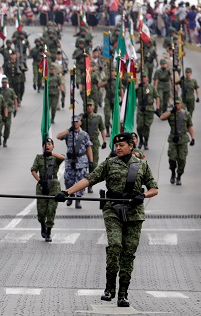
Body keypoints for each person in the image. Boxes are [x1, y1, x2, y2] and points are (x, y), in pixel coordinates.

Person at [55, 132, 158, 308]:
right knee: (115, 246)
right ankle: (110, 286)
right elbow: (89, 180)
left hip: (134, 213)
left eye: (121, 145)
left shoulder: (142, 165)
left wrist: (143, 195)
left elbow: (154, 188)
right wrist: (67, 192)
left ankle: (123, 293)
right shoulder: (109, 164)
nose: (117, 148)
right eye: (116, 146)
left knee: (128, 253)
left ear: (131, 146)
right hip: (113, 211)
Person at [31, 138, 65, 242]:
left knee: (51, 209)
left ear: (53, 146)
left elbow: (63, 158)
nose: (47, 146)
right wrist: (39, 180)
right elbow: (33, 170)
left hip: (53, 184)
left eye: (50, 144)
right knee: (41, 211)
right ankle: (42, 224)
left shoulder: (55, 158)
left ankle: (48, 231)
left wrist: (51, 153)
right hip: (42, 185)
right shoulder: (39, 157)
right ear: (42, 147)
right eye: (45, 144)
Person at [57, 115, 93, 209]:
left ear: (80, 122)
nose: (75, 123)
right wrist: (69, 130)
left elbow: (88, 147)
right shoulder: (68, 133)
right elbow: (58, 136)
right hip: (70, 161)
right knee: (68, 180)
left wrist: (91, 161)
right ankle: (70, 195)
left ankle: (78, 199)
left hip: (81, 160)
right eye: (73, 122)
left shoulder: (84, 134)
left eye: (77, 122)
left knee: (81, 181)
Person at [159, 97, 195, 185]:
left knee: (182, 159)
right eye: (175, 103)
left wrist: (193, 138)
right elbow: (162, 117)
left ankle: (179, 176)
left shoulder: (186, 114)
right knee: (172, 158)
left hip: (183, 139)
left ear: (181, 104)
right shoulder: (171, 113)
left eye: (178, 103)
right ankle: (172, 172)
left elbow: (190, 126)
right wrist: (171, 111)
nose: (177, 105)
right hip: (173, 139)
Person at [82, 99, 107, 192]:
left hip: (94, 143)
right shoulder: (82, 117)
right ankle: (82, 183)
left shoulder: (98, 117)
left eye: (90, 105)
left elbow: (102, 129)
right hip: (83, 144)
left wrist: (104, 141)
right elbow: (75, 126)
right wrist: (82, 118)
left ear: (93, 106)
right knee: (83, 163)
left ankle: (90, 184)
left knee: (94, 164)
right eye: (87, 105)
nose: (88, 107)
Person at [136, 72, 159, 150]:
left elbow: (157, 97)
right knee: (139, 126)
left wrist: (158, 108)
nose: (143, 79)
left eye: (145, 77)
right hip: (140, 109)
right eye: (142, 77)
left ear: (147, 78)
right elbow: (132, 93)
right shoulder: (139, 87)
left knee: (146, 127)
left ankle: (146, 142)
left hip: (149, 109)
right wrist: (137, 86)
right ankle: (140, 140)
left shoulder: (152, 87)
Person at [0, 77, 18, 146]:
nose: (4, 84)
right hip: (0, 111)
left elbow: (15, 99)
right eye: (3, 82)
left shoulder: (10, 91)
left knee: (7, 126)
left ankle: (5, 139)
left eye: (5, 82)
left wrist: (16, 108)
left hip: (9, 110)